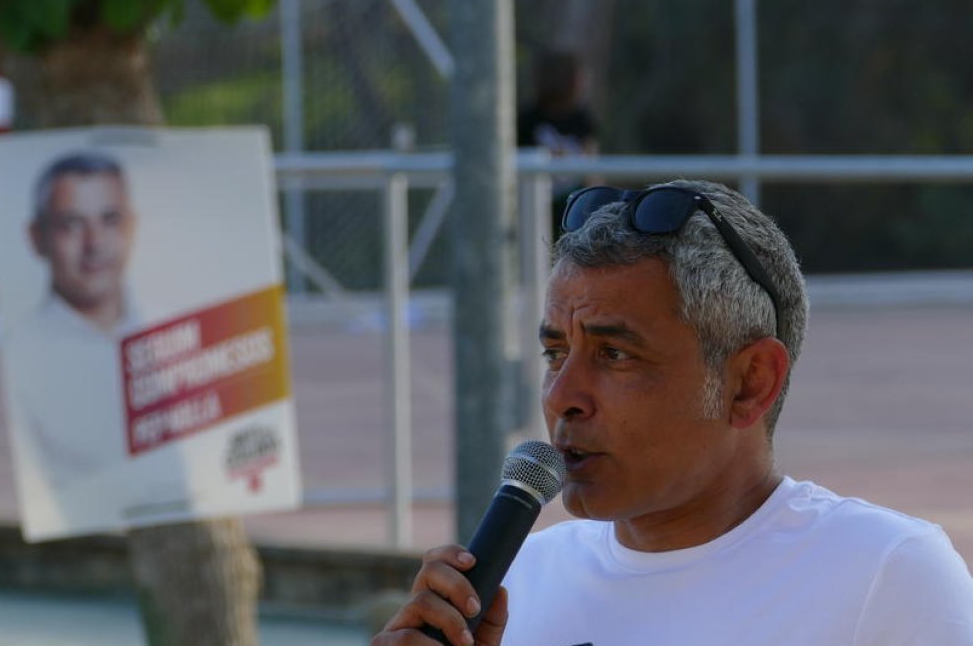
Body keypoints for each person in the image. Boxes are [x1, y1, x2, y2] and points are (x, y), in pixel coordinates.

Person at [373, 180, 973, 645]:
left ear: (750, 383)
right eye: (555, 351)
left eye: (614, 354)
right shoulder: (518, 585)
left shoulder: (884, 575)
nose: (562, 395)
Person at [2, 151, 143, 487]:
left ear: (132, 227)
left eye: (109, 220)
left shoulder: (176, 330)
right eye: (72, 224)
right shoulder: (22, 356)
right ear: (37, 237)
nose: (94, 243)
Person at [517, 50, 600, 243]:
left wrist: (597, 204)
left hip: (575, 205)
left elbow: (592, 167)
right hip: (536, 205)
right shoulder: (528, 119)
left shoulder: (582, 118)